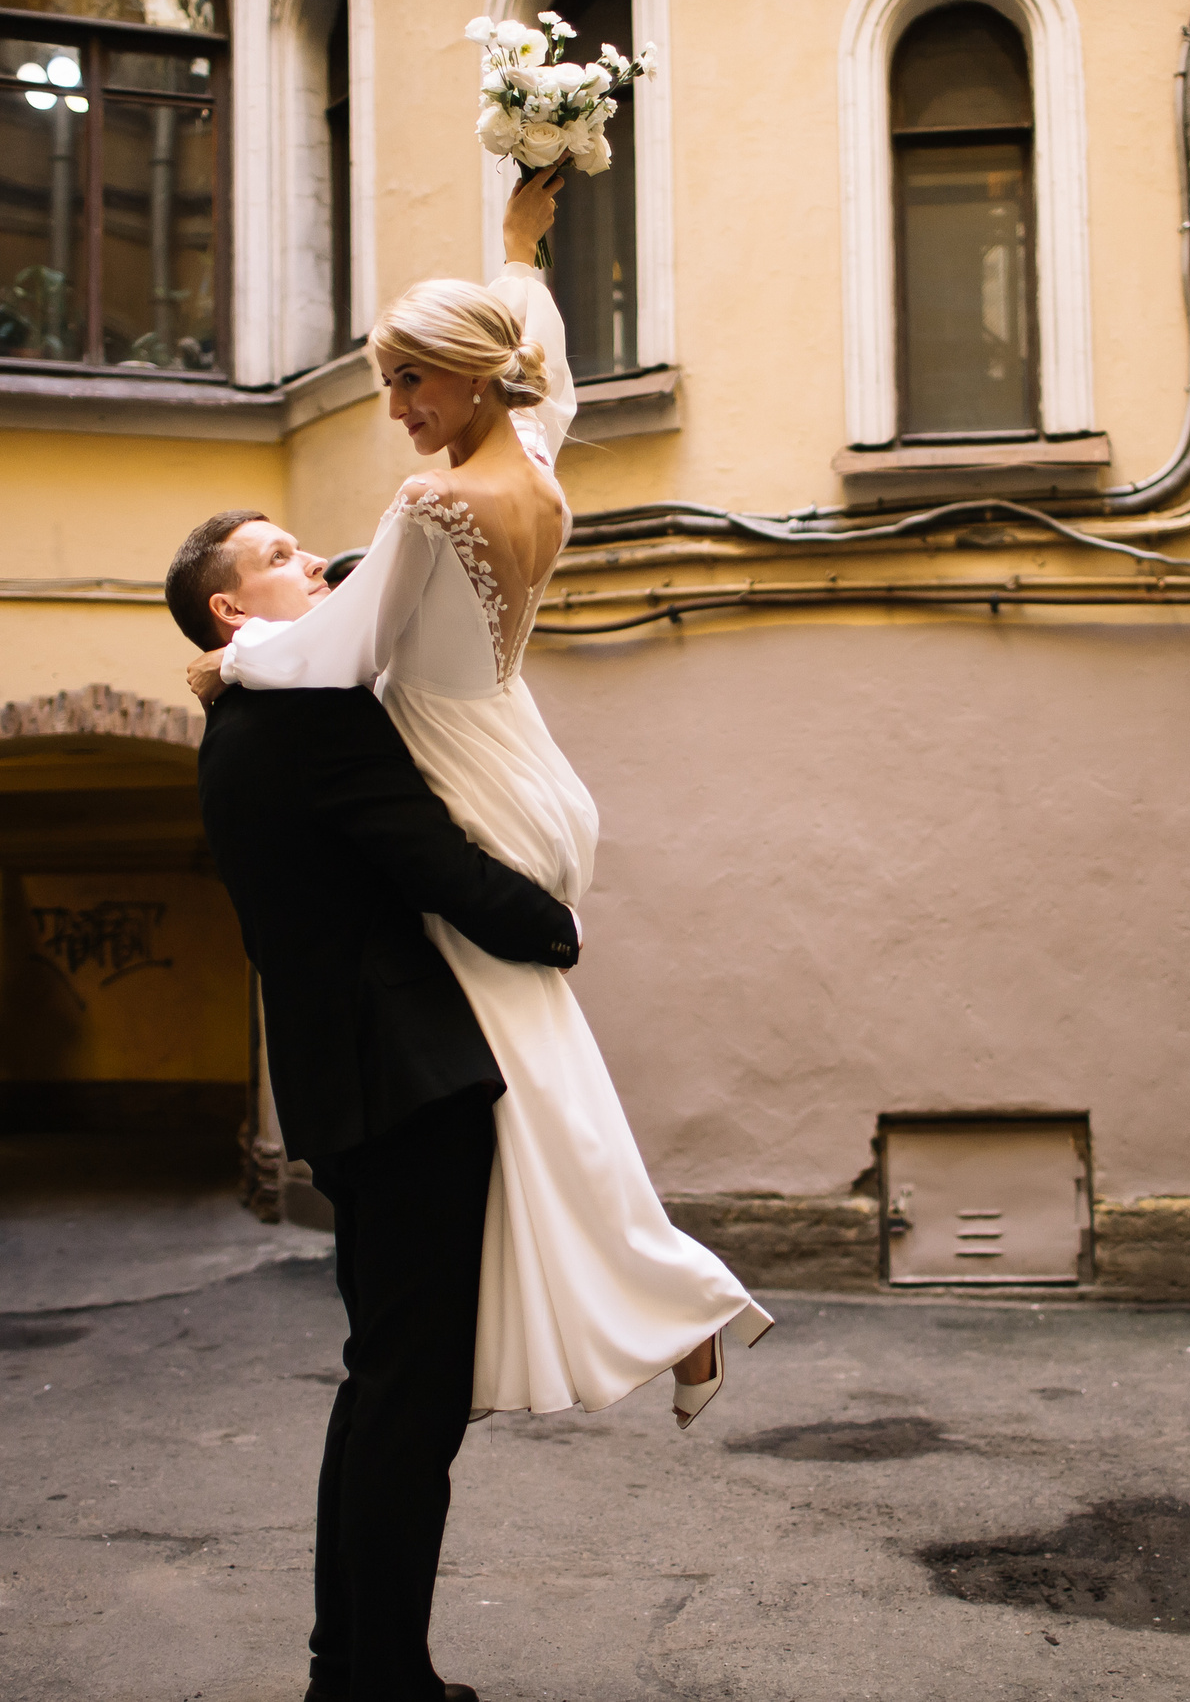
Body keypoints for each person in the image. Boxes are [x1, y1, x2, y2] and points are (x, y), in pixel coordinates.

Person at [185, 170, 772, 1429]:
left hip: (470, 792)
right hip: (529, 772)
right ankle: (658, 1302)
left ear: (464, 378)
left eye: (408, 383)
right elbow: (544, 363)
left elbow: (340, 653)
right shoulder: (539, 456)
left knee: (536, 1074)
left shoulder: (434, 500)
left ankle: (674, 1302)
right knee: (533, 1064)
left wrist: (229, 655)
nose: (394, 411)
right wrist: (517, 249)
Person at [168, 506, 579, 1702]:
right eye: (278, 556)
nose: (310, 561)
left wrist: (354, 578)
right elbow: (427, 858)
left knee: (382, 1382)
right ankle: (379, 1682)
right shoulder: (303, 715)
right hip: (405, 1085)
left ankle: (350, 1667)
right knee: (411, 1398)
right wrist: (551, 925)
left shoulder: (246, 721)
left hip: (348, 1088)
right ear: (230, 610)